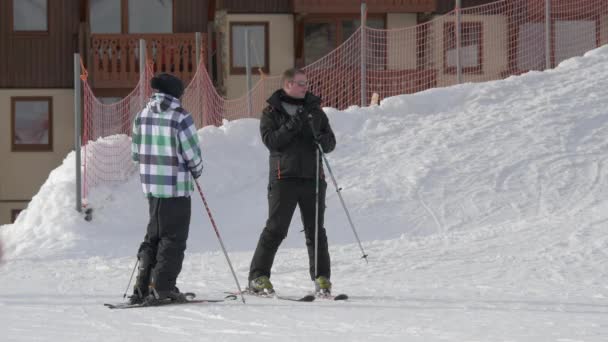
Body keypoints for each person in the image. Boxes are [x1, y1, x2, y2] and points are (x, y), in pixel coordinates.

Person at [248, 68, 336, 295]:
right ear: (287, 85)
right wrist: (293, 124)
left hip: (312, 178)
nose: (305, 87)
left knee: (315, 230)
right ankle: (258, 277)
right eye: (300, 83)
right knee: (276, 229)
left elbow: (330, 143)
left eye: (306, 83)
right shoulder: (271, 112)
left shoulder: (315, 111)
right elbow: (272, 141)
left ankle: (322, 277)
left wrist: (320, 137)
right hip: (283, 178)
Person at [128, 73, 203, 305]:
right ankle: (162, 287)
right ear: (176, 93)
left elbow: (135, 153)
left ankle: (143, 286)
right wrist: (196, 170)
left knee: (154, 235)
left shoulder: (142, 115)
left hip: (151, 186)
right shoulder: (181, 117)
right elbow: (192, 154)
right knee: (173, 238)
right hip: (176, 187)